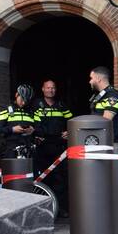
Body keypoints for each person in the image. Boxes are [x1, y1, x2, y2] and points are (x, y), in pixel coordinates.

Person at [32, 79, 73, 217]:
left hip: (58, 147)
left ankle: (61, 209)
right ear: (43, 89)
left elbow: (72, 121)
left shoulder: (61, 105)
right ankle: (45, 209)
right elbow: (34, 126)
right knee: (42, 178)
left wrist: (69, 131)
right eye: (48, 88)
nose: (51, 90)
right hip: (43, 148)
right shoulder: (37, 105)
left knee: (60, 178)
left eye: (53, 88)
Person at [0, 83, 39, 160]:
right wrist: (12, 129)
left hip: (27, 150)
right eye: (22, 99)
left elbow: (41, 129)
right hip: (9, 150)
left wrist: (33, 130)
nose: (24, 103)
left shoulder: (32, 112)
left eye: (26, 100)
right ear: (16, 95)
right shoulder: (6, 111)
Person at [88, 66, 118, 143]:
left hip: (109, 142)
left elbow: (106, 121)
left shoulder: (112, 95)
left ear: (98, 79)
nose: (90, 81)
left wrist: (86, 129)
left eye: (91, 78)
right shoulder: (99, 95)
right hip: (98, 140)